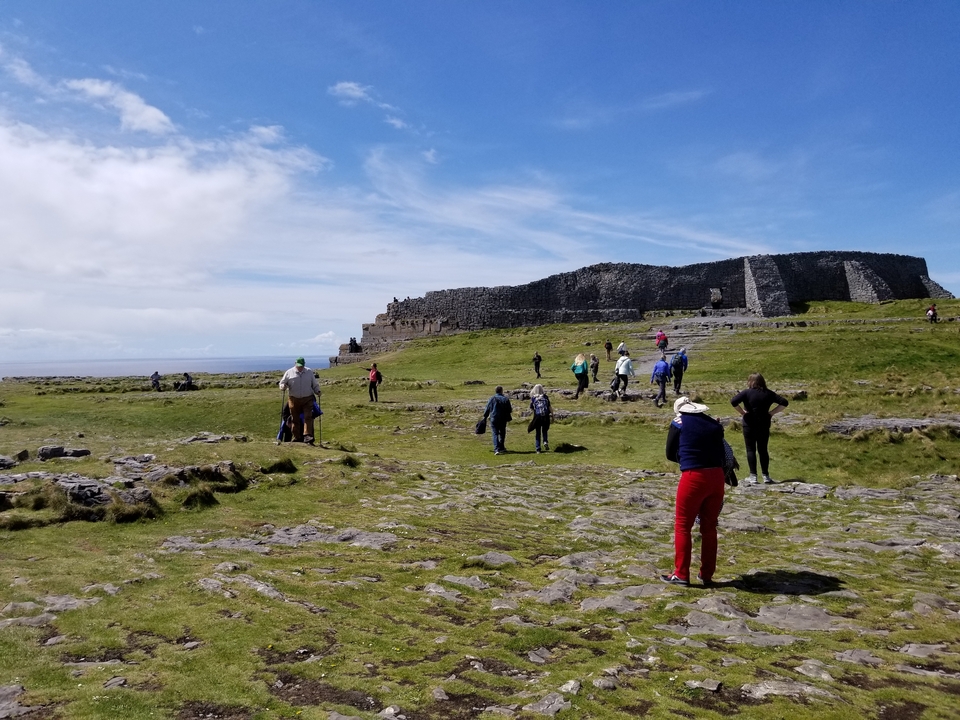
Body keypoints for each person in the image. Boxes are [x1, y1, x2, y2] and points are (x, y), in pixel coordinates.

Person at [663, 396, 727, 586]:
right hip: (717, 477)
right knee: (709, 527)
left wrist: (685, 458)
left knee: (683, 525)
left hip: (693, 476)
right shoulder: (714, 424)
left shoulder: (679, 422)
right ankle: (706, 574)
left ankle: (681, 573)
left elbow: (669, 452)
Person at [730, 373, 789, 484]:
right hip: (764, 424)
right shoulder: (769, 393)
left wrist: (742, 412)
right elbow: (784, 402)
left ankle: (753, 476)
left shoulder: (746, 392)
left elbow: (733, 401)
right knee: (763, 450)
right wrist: (772, 413)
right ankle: (766, 476)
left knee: (750, 449)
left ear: (751, 381)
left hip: (749, 424)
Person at [279, 357, 321, 444]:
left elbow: (314, 384)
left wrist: (318, 391)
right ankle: (297, 437)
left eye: (301, 366)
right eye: (298, 366)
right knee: (295, 418)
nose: (300, 368)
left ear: (304, 365)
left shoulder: (309, 372)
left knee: (308, 417)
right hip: (294, 399)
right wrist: (282, 386)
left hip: (307, 398)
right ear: (295, 364)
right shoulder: (289, 372)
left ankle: (307, 435)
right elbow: (282, 382)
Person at [483, 386, 513, 455]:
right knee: (502, 432)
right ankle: (501, 447)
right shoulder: (505, 399)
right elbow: (509, 409)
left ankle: (496, 449)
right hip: (503, 418)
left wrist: (485, 416)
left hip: (494, 418)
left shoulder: (492, 399)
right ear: (501, 391)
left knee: (495, 433)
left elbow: (487, 408)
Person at [528, 384, 552, 453]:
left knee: (538, 432)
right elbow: (549, 407)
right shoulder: (545, 397)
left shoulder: (533, 398)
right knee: (545, 430)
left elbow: (531, 407)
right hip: (545, 416)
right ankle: (545, 441)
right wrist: (553, 415)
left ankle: (538, 448)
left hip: (537, 416)